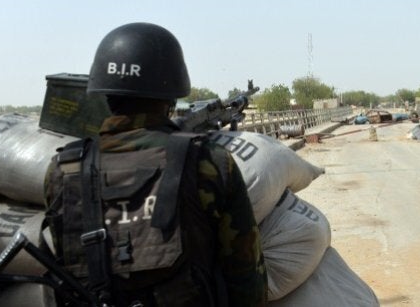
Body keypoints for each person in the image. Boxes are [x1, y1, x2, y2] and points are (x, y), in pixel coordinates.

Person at [44, 22, 267, 306]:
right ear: (172, 91)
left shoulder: (63, 170)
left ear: (104, 91)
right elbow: (247, 279)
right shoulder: (208, 162)